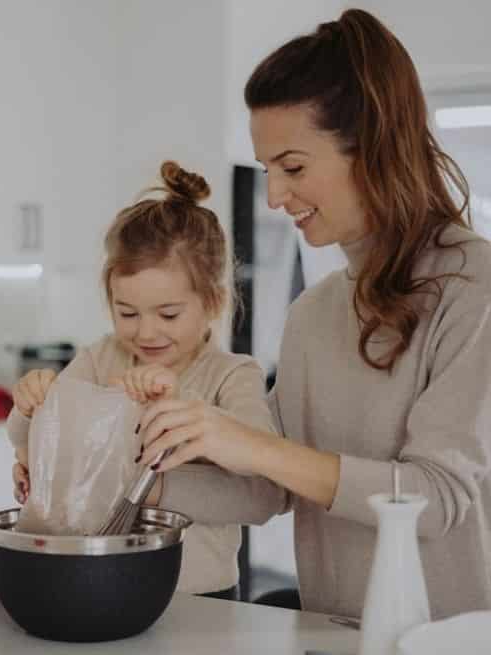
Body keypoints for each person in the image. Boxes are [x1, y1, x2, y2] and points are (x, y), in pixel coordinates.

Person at [136, 9, 491, 620]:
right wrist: (125, 477)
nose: (275, 196)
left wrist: (248, 443)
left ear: (373, 147)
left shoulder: (473, 288)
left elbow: (436, 499)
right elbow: (267, 488)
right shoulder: (313, 313)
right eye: (269, 169)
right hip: (332, 637)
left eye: (293, 167)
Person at [7, 160, 286, 600]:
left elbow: (258, 496)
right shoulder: (102, 358)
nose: (146, 332)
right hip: (101, 584)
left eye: (169, 314)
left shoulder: (231, 376)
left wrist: (153, 473)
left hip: (200, 600)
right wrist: (30, 405)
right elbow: (32, 436)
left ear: (212, 301)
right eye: (127, 313)